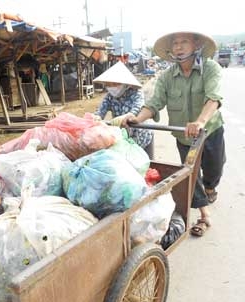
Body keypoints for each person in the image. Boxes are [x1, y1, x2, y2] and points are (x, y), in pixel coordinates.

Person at [122, 31, 226, 237]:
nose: (179, 47)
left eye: (184, 42)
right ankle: (205, 216)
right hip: (184, 136)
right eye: (175, 43)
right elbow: (154, 103)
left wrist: (200, 121)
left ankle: (211, 187)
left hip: (210, 130)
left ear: (196, 44)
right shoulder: (167, 77)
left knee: (214, 169)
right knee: (191, 174)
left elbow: (213, 98)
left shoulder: (210, 68)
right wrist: (137, 119)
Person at [92, 61, 154, 158]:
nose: (112, 87)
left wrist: (129, 115)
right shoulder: (109, 97)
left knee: (149, 167)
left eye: (115, 84)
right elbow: (101, 110)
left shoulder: (136, 93)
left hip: (142, 137)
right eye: (109, 85)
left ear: (125, 84)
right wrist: (96, 116)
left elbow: (138, 107)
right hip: (123, 138)